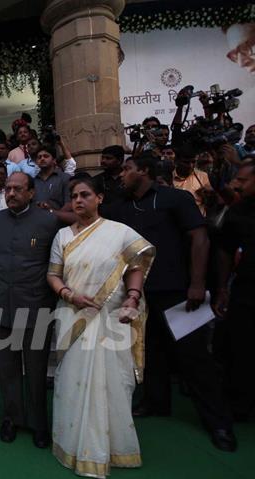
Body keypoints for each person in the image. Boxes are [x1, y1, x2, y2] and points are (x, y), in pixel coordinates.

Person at [104, 155, 237, 451]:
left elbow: (199, 239)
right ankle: (155, 402)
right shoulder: (121, 206)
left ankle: (219, 423)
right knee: (150, 353)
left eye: (128, 168)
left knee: (195, 359)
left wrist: (198, 283)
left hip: (180, 291)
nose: (122, 174)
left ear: (145, 171)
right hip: (140, 294)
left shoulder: (175, 198)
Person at [47, 177, 155, 478]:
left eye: (85, 195)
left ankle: (112, 448)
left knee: (112, 383)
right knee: (72, 379)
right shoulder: (62, 237)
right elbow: (53, 275)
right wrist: (69, 295)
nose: (78, 200)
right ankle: (72, 444)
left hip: (111, 316)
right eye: (74, 196)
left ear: (99, 198)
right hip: (73, 314)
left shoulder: (119, 233)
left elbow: (136, 267)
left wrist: (132, 299)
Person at [0, 172, 60, 448]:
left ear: (31, 193)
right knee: (7, 370)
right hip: (1, 306)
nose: (11, 193)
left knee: (37, 371)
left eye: (18, 189)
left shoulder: (49, 221)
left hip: (37, 307)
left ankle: (40, 424)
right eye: (8, 189)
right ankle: (12, 418)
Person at [213, 163, 255, 421]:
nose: (236, 184)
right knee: (242, 348)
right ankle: (240, 404)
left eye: (243, 180)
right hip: (246, 290)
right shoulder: (237, 211)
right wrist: (222, 289)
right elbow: (225, 251)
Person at [173, 144, 212, 216]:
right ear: (177, 161)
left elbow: (210, 202)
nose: (191, 166)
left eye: (193, 162)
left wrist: (207, 195)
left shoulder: (203, 176)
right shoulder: (169, 177)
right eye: (186, 162)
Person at [33, 146, 71, 210]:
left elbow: (68, 204)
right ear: (36, 162)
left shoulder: (65, 178)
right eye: (39, 157)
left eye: (46, 156)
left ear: (54, 160)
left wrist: (55, 214)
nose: (42, 159)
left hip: (59, 218)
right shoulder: (32, 181)